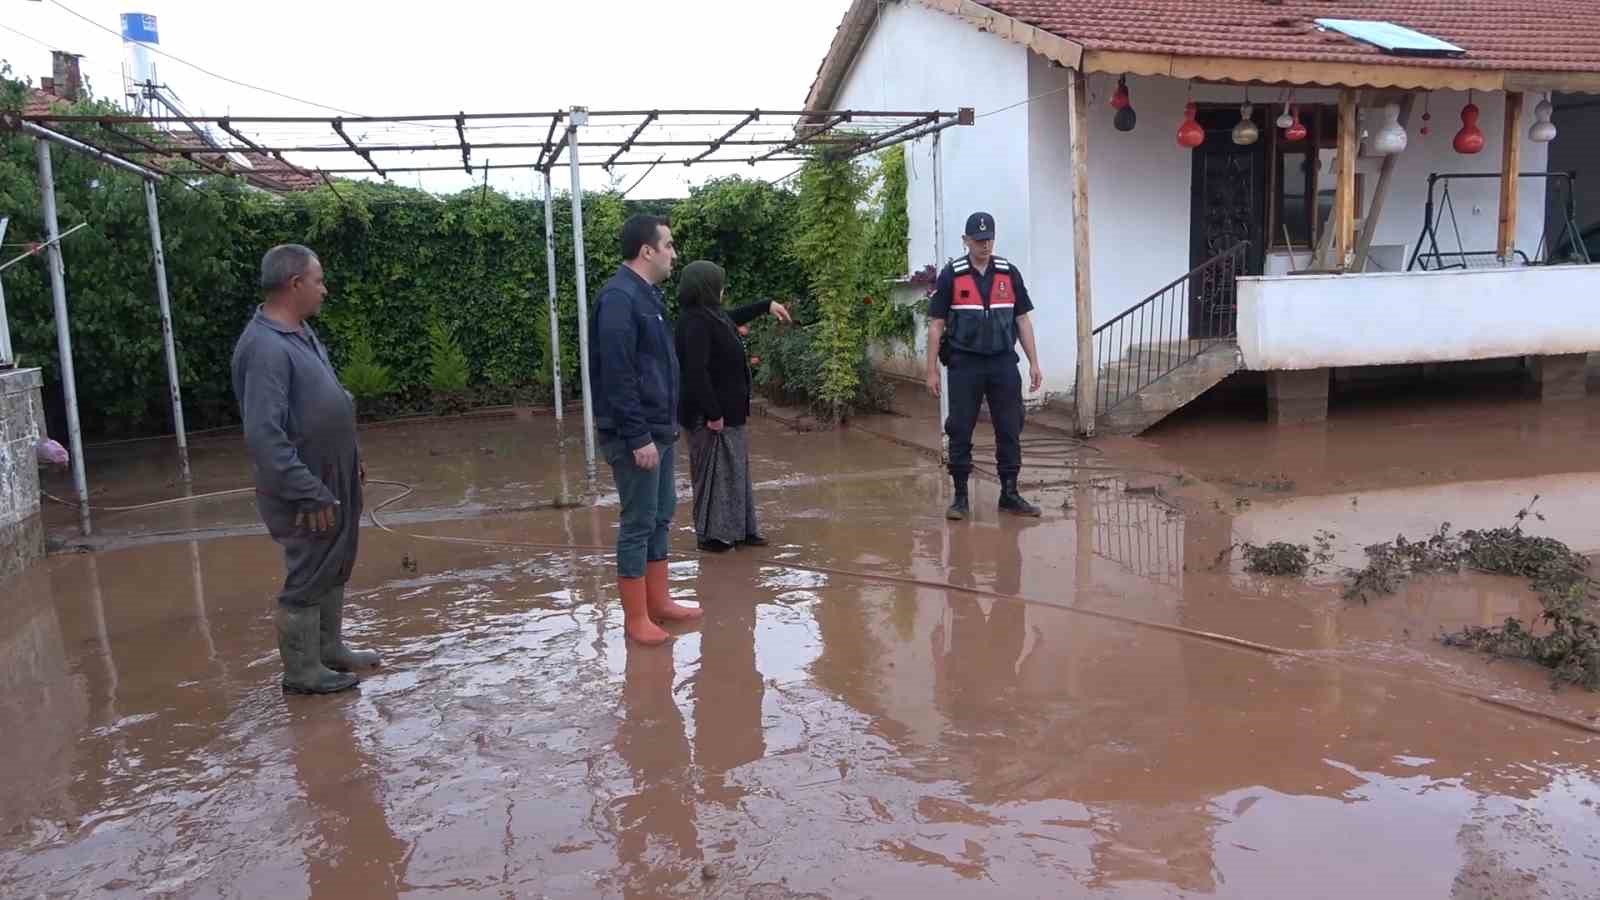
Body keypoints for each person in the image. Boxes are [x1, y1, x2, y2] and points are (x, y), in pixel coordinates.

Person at [232, 244, 381, 695]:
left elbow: (327, 403)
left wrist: (350, 456)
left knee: (334, 562)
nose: (324, 289)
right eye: (318, 280)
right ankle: (301, 670)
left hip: (333, 473)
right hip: (306, 483)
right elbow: (264, 435)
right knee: (310, 568)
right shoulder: (263, 347)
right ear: (294, 284)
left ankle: (328, 648)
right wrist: (306, 490)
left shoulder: (298, 333)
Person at [591, 214, 703, 646]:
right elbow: (617, 373)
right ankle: (636, 618)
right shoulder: (619, 298)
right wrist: (637, 436)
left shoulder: (648, 296)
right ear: (647, 251)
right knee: (638, 521)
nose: (674, 254)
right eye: (669, 245)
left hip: (660, 427)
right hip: (635, 434)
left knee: (660, 515)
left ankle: (659, 603)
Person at [925, 212, 1044, 520]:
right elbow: (936, 325)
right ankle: (961, 497)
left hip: (1003, 362)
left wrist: (1034, 362)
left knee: (1010, 427)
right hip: (965, 363)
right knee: (960, 428)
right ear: (966, 241)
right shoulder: (952, 274)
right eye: (978, 240)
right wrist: (931, 370)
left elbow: (1022, 320)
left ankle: (1009, 493)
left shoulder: (1008, 272)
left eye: (988, 239)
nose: (984, 245)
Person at [674, 260, 791, 553]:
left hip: (730, 413)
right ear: (706, 286)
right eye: (719, 282)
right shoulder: (694, 322)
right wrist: (713, 414)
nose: (723, 288)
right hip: (710, 416)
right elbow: (695, 372)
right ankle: (713, 537)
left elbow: (733, 315)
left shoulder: (711, 315)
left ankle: (739, 531)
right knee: (714, 475)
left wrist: (766, 305)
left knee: (735, 471)